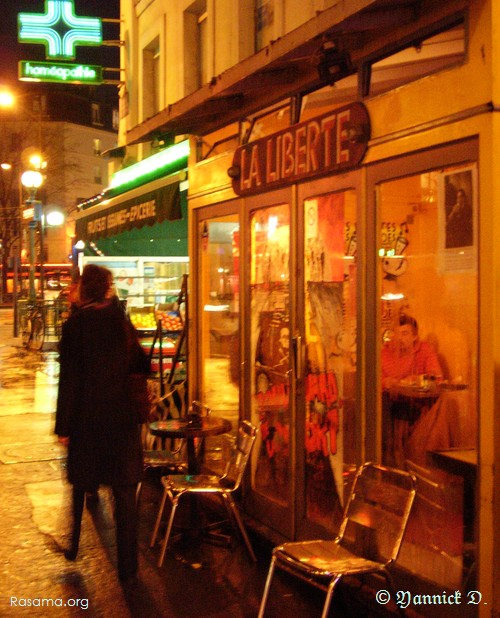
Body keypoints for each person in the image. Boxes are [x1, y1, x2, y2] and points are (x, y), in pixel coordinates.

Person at [55, 264, 149, 583]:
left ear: (85, 288)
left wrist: (64, 427)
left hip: (87, 420)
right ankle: (128, 567)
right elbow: (141, 363)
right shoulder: (120, 320)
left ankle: (73, 543)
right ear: (106, 287)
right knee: (124, 494)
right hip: (121, 420)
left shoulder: (75, 326)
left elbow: (69, 380)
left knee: (82, 481)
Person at [381, 314, 443, 466]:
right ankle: (391, 463)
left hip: (418, 404)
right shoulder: (385, 352)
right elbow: (374, 380)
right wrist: (386, 382)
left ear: (415, 336)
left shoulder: (424, 350)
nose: (399, 338)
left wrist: (415, 379)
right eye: (396, 333)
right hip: (391, 404)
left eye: (405, 333)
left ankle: (414, 463)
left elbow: (437, 377)